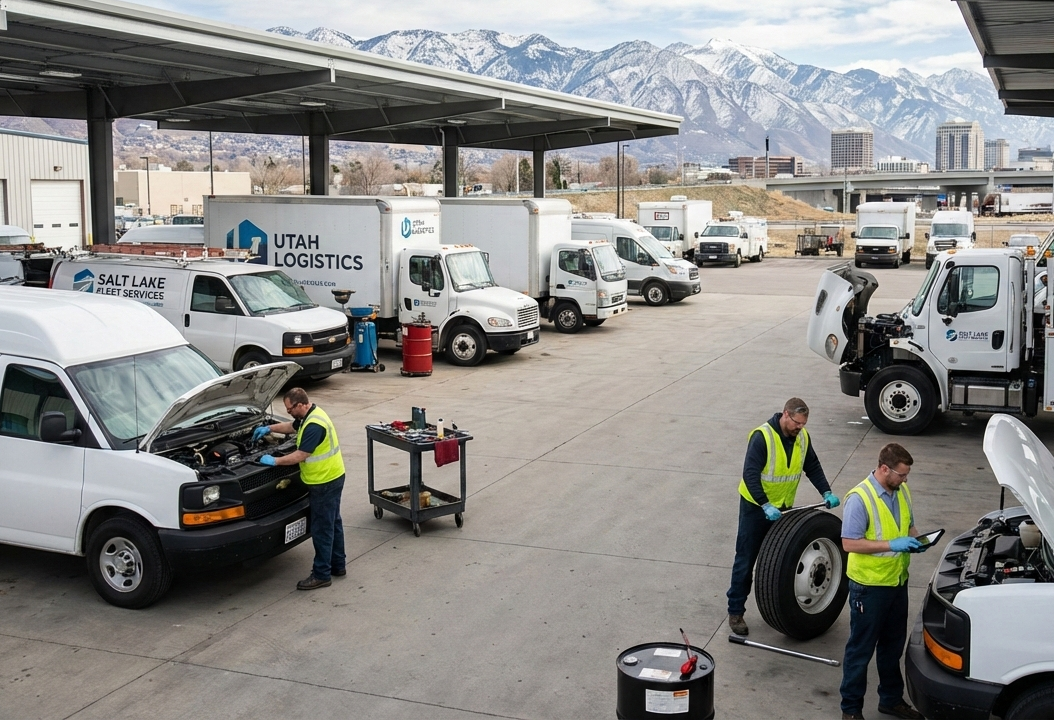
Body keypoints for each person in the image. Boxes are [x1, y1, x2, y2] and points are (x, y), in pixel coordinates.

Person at [726, 398, 839, 636]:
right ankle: (735, 611)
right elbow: (750, 474)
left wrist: (826, 491)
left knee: (780, 560)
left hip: (784, 508)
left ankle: (778, 606)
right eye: (797, 423)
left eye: (804, 424)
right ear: (785, 415)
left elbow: (813, 465)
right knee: (746, 560)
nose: (800, 428)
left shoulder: (802, 438)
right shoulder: (763, 437)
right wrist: (764, 504)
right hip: (756, 508)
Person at [838, 443, 924, 720]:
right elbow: (849, 543)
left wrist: (917, 540)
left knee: (892, 647)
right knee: (860, 650)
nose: (905, 479)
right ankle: (850, 710)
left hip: (897, 582)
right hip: (870, 587)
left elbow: (909, 525)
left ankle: (891, 700)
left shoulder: (902, 490)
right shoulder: (859, 498)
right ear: (884, 469)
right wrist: (893, 544)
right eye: (900, 474)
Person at [253, 387, 346, 591]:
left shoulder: (314, 426)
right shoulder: (310, 415)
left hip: (324, 482)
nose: (289, 412)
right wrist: (270, 429)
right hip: (332, 476)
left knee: (322, 528)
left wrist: (275, 461)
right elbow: (292, 426)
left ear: (301, 404)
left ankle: (322, 574)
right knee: (333, 522)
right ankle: (338, 565)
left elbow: (300, 455)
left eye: (290, 408)